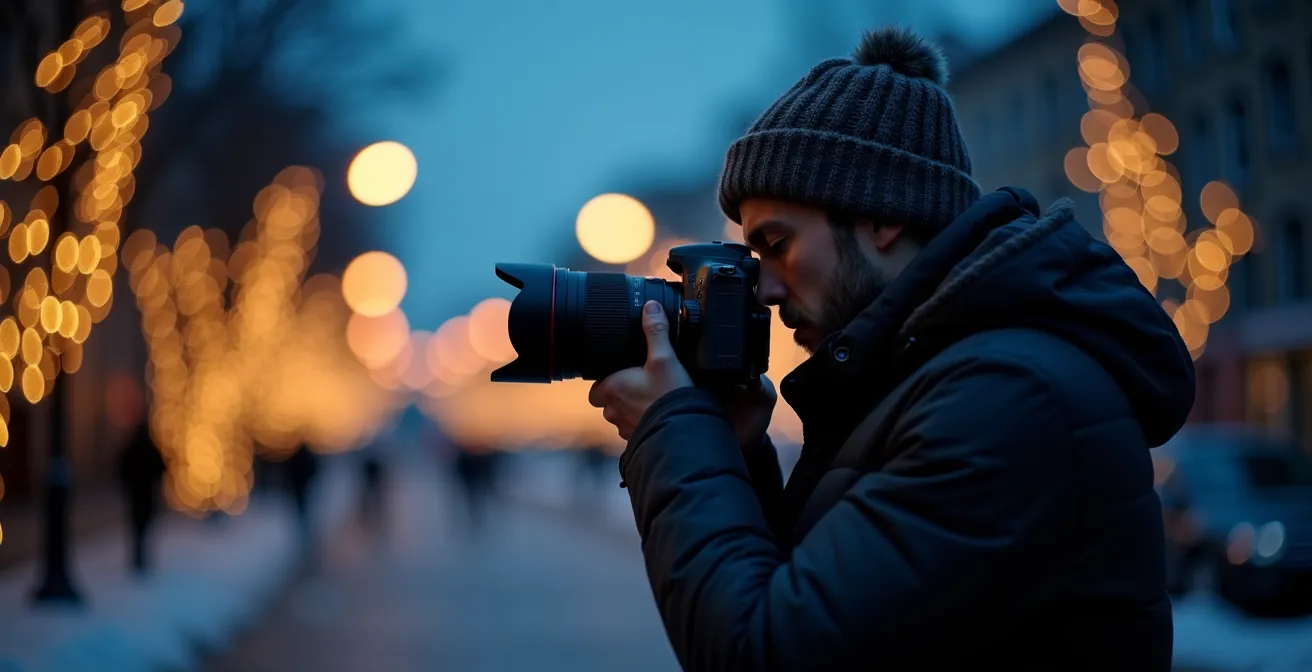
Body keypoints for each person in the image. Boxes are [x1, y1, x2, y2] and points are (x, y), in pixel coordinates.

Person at [589, 26, 1194, 671]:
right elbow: (821, 598)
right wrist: (737, 456)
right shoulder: (927, 380)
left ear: (881, 217)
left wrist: (671, 432)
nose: (761, 287)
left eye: (776, 243)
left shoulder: (1009, 400)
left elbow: (768, 651)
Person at [117, 420, 167, 576]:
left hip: (136, 495)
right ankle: (140, 558)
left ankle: (138, 558)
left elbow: (122, 468)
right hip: (146, 494)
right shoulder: (150, 449)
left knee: (137, 528)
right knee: (143, 527)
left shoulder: (133, 449)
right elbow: (162, 468)